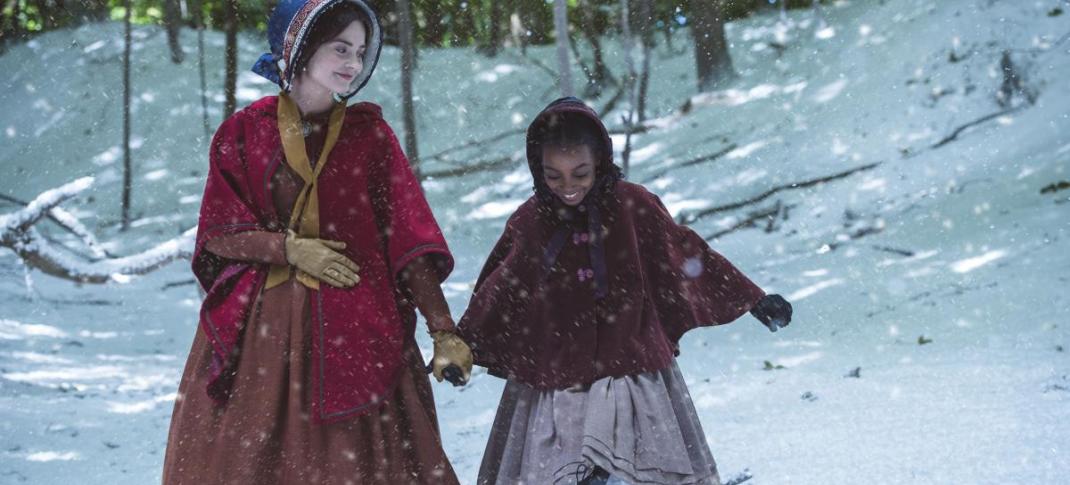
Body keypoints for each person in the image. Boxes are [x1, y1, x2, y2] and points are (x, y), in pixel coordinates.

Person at [161, 1, 471, 483]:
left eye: (361, 51)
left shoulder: (371, 136)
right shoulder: (244, 132)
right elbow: (220, 233)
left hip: (360, 331)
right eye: (340, 48)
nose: (353, 62)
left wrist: (443, 329)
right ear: (300, 50)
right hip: (266, 332)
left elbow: (407, 242)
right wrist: (286, 248)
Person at [458, 97, 794, 485]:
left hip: (632, 367)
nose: (568, 187)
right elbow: (501, 286)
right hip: (554, 376)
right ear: (538, 168)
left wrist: (751, 297)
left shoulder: (634, 206)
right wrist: (463, 342)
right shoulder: (532, 220)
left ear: (599, 161)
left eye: (580, 173)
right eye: (554, 176)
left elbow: (684, 252)